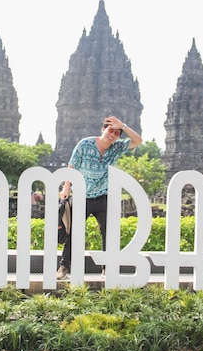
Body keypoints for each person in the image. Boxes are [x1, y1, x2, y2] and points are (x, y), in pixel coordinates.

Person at [57, 115, 143, 279]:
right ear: (103, 129)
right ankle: (64, 267)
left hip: (104, 197)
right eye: (110, 130)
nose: (112, 135)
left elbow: (138, 141)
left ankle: (107, 268)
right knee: (74, 232)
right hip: (82, 196)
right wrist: (66, 187)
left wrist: (122, 126)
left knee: (109, 233)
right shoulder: (85, 144)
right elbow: (72, 165)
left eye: (117, 133)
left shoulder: (116, 148)